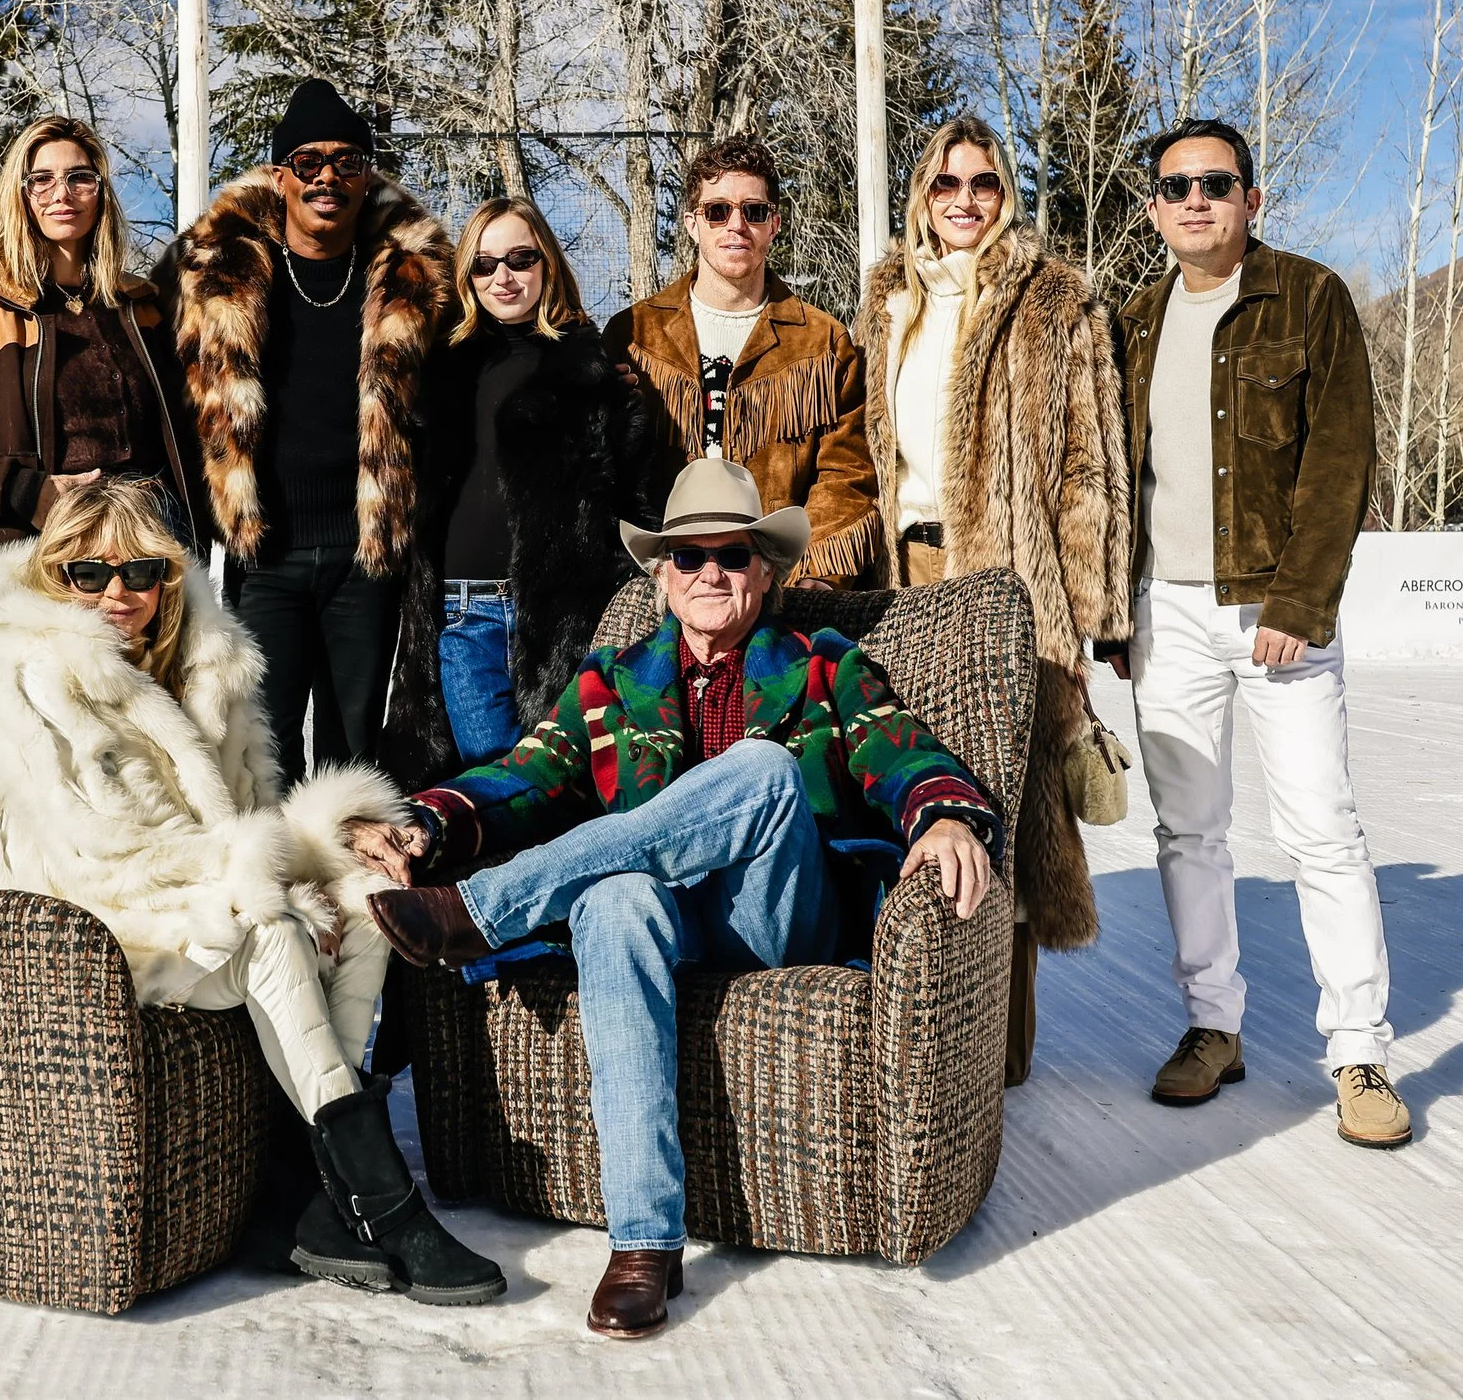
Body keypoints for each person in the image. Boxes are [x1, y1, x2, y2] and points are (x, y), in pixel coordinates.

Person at [358, 459, 999, 1337]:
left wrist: (946, 812)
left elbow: (900, 748)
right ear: (661, 575)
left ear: (764, 573)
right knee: (614, 901)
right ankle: (644, 1242)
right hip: (668, 925)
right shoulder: (611, 682)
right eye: (689, 556)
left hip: (777, 915)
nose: (709, 573)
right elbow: (525, 775)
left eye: (731, 556)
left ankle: (483, 909)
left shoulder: (821, 666)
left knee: (765, 770)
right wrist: (425, 824)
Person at [0, 477, 507, 1305]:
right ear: (53, 576)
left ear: (167, 578)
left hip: (185, 899)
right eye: (88, 573)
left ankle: (310, 1192)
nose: (116, 593)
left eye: (140, 571)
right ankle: (387, 1207)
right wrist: (264, 888)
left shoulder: (201, 669)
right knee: (273, 932)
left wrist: (331, 841)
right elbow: (99, 857)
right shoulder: (33, 686)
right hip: (90, 928)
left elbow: (252, 817)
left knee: (364, 898)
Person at [1100, 117, 1406, 1149]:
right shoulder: (1136, 320)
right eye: (1176, 186)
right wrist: (1114, 609)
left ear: (1251, 199)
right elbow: (1114, 479)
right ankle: (1212, 1025)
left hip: (1273, 606)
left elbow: (1341, 460)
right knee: (1188, 831)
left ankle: (1358, 1050)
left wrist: (1298, 600)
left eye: (1216, 183)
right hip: (1165, 612)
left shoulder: (1309, 297)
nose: (1196, 200)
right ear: (1154, 209)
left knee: (1321, 828)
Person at [858, 116, 1130, 1086]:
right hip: (903, 574)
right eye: (946, 183)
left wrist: (1089, 619)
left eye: (982, 182)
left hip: (1009, 581)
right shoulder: (887, 300)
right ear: (921, 196)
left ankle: (998, 1051)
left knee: (1009, 803)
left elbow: (1090, 470)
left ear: (1004, 193)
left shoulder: (1056, 299)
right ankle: (920, 1034)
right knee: (910, 792)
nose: (964, 200)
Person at [156, 78, 453, 783]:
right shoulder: (214, 271)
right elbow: (140, 355)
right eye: (309, 161)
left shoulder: (411, 280)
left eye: (347, 162)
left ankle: (349, 857)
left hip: (365, 552)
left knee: (353, 743)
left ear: (366, 177)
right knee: (264, 743)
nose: (327, 177)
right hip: (267, 551)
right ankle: (278, 856)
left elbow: (482, 354)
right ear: (280, 175)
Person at [379, 197, 656, 785]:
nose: (502, 276)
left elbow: (630, 496)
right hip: (462, 612)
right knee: (490, 774)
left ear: (547, 263)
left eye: (520, 259)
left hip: (559, 615)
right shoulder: (440, 368)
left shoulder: (591, 369)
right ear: (467, 276)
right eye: (484, 264)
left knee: (555, 780)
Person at [0, 115, 200, 569]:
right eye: (42, 180)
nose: (62, 194)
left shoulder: (144, 306)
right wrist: (27, 492)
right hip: (26, 559)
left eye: (80, 177)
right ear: (21, 194)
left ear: (101, 192)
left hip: (144, 552)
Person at [604, 134, 880, 588]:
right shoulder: (634, 336)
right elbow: (608, 470)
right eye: (718, 211)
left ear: (774, 224)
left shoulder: (822, 342)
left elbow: (846, 474)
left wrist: (812, 575)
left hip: (780, 586)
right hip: (668, 584)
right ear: (692, 224)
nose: (736, 225)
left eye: (754, 211)